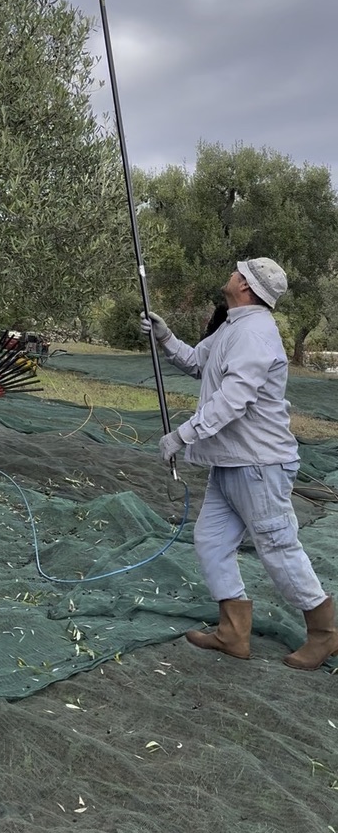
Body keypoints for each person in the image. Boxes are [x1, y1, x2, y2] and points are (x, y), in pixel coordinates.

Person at [141, 257, 338, 671]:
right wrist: (166, 338)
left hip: (259, 465)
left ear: (246, 286)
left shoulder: (256, 334)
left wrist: (182, 435)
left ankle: (325, 634)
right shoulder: (234, 324)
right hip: (232, 465)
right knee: (211, 541)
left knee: (278, 547)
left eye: (237, 273)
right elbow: (198, 362)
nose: (230, 276)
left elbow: (234, 400)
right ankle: (233, 632)